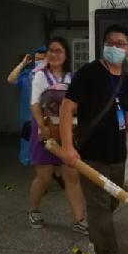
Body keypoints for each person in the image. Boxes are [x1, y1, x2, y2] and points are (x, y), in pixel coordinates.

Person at [58, 24, 128, 254]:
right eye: (110, 42)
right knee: (99, 208)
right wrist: (67, 146)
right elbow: (66, 109)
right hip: (91, 154)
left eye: (120, 43)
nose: (114, 47)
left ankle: (97, 238)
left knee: (110, 203)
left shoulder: (127, 82)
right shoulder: (88, 73)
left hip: (117, 155)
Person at [28, 36, 88, 234]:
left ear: (66, 55)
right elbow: (34, 104)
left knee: (72, 176)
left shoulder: (72, 78)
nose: (54, 54)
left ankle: (80, 220)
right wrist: (41, 126)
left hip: (67, 133)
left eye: (58, 51)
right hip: (44, 130)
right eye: (51, 51)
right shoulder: (40, 76)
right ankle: (34, 210)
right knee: (44, 177)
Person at [7, 46, 46, 166]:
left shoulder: (52, 77)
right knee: (28, 145)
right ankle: (29, 159)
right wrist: (23, 64)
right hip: (28, 119)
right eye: (37, 59)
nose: (39, 62)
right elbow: (11, 79)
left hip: (46, 120)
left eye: (42, 59)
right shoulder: (27, 75)